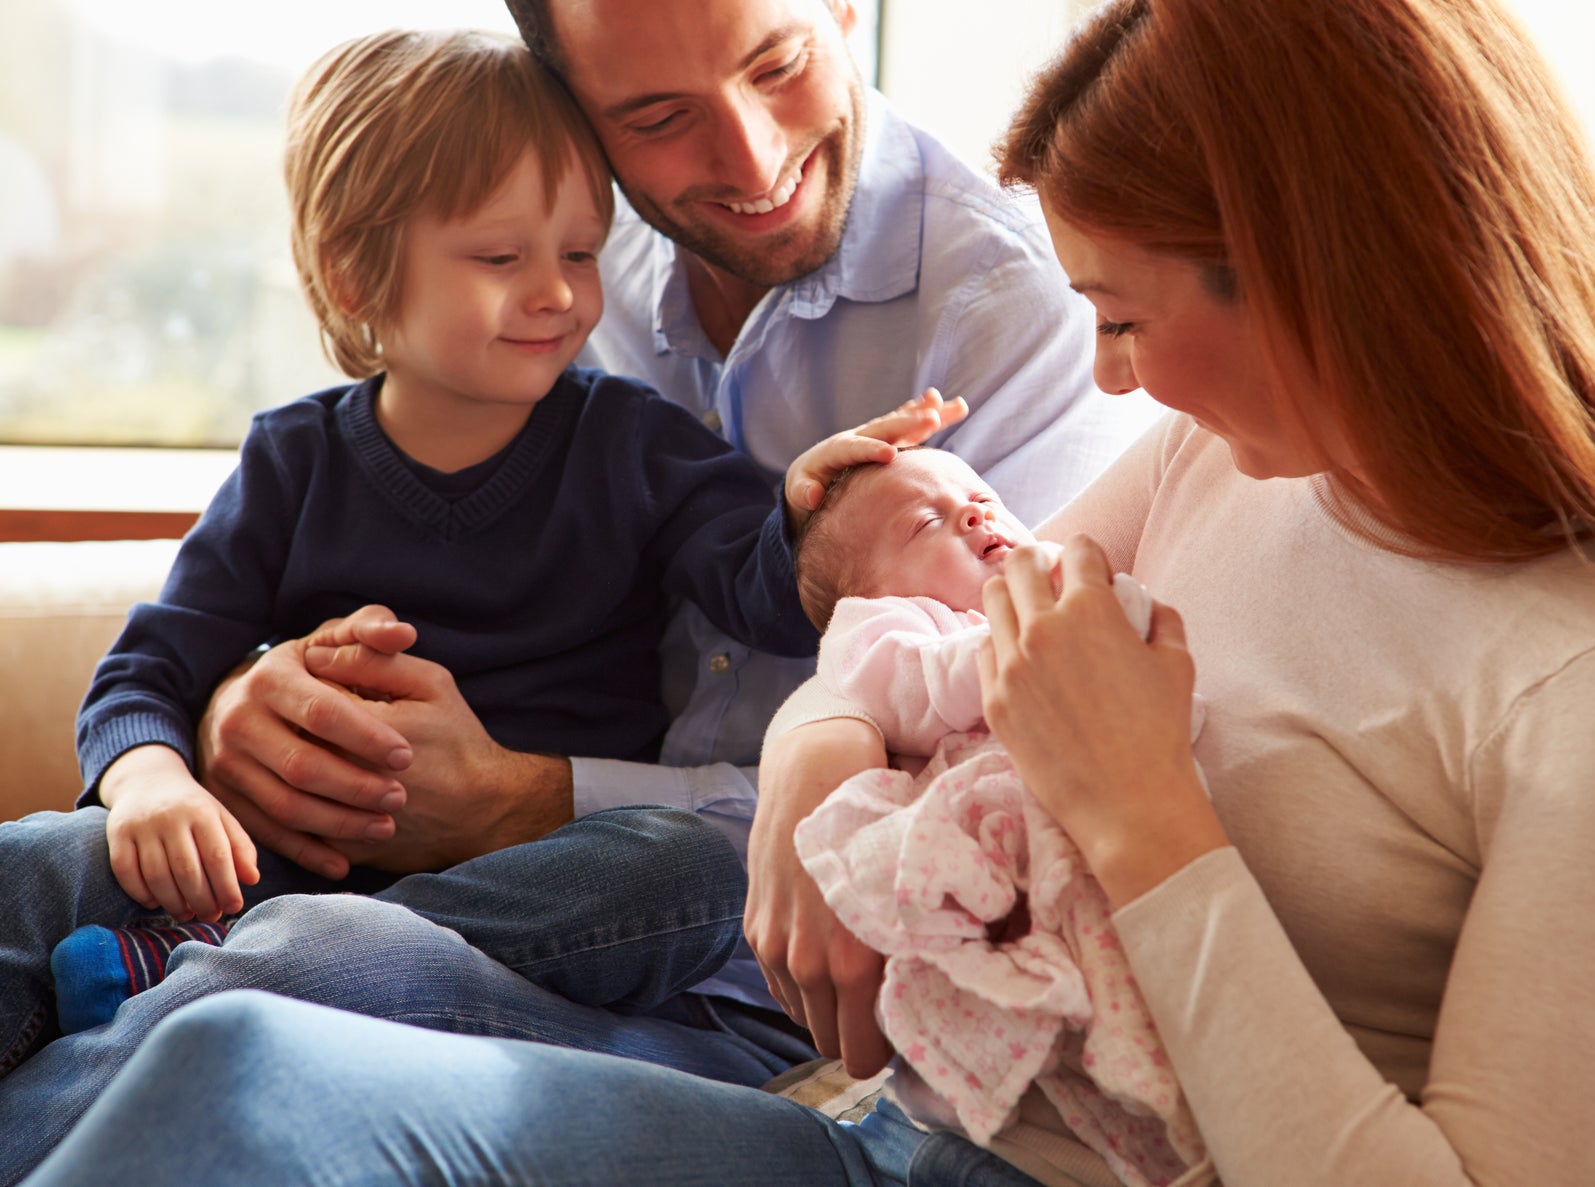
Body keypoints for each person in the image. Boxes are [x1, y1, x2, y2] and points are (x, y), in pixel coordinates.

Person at [22, 0, 1595, 1183]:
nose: (1123, 383)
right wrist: (816, 751)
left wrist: (1154, 825)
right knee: (226, 1062)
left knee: (253, 1047)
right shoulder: (1229, 465)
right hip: (885, 1113)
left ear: (1316, 271)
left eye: (1127, 318)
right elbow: (912, 617)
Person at [0, 0, 1135, 1176]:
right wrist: (197, 741)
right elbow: (157, 657)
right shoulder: (305, 446)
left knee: (684, 860)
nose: (558, 295)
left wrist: (813, 513)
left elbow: (753, 576)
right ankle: (203, 953)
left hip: (606, 906)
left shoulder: (640, 431)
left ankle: (199, 960)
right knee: (35, 863)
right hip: (306, 855)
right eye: (654, 116)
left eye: (576, 257)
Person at [787, 443, 1204, 1187]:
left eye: (980, 495)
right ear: (869, 592)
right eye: (927, 523)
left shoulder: (1054, 579)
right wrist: (1067, 635)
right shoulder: (890, 631)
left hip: (1095, 844)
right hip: (990, 849)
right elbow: (926, 686)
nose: (975, 513)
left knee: (1125, 985)